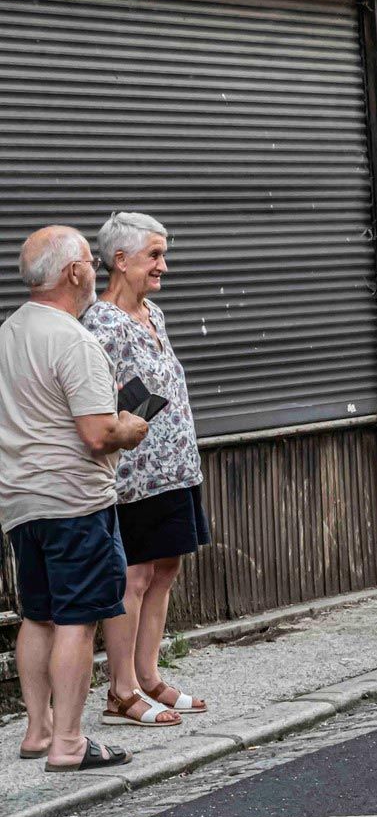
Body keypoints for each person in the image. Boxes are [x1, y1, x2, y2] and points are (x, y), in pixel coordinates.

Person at [0, 226, 149, 771]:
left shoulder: (8, 333)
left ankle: (38, 731)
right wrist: (130, 427)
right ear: (72, 273)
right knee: (77, 621)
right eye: (90, 260)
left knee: (37, 616)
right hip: (75, 502)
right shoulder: (73, 339)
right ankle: (69, 744)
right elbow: (96, 433)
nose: (94, 269)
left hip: (21, 502)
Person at [83, 211, 210, 727]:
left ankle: (149, 674)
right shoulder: (98, 323)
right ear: (120, 260)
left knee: (167, 567)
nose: (163, 265)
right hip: (134, 474)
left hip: (176, 467)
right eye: (154, 255)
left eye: (163, 253)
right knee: (133, 575)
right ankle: (122, 692)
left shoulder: (153, 313)